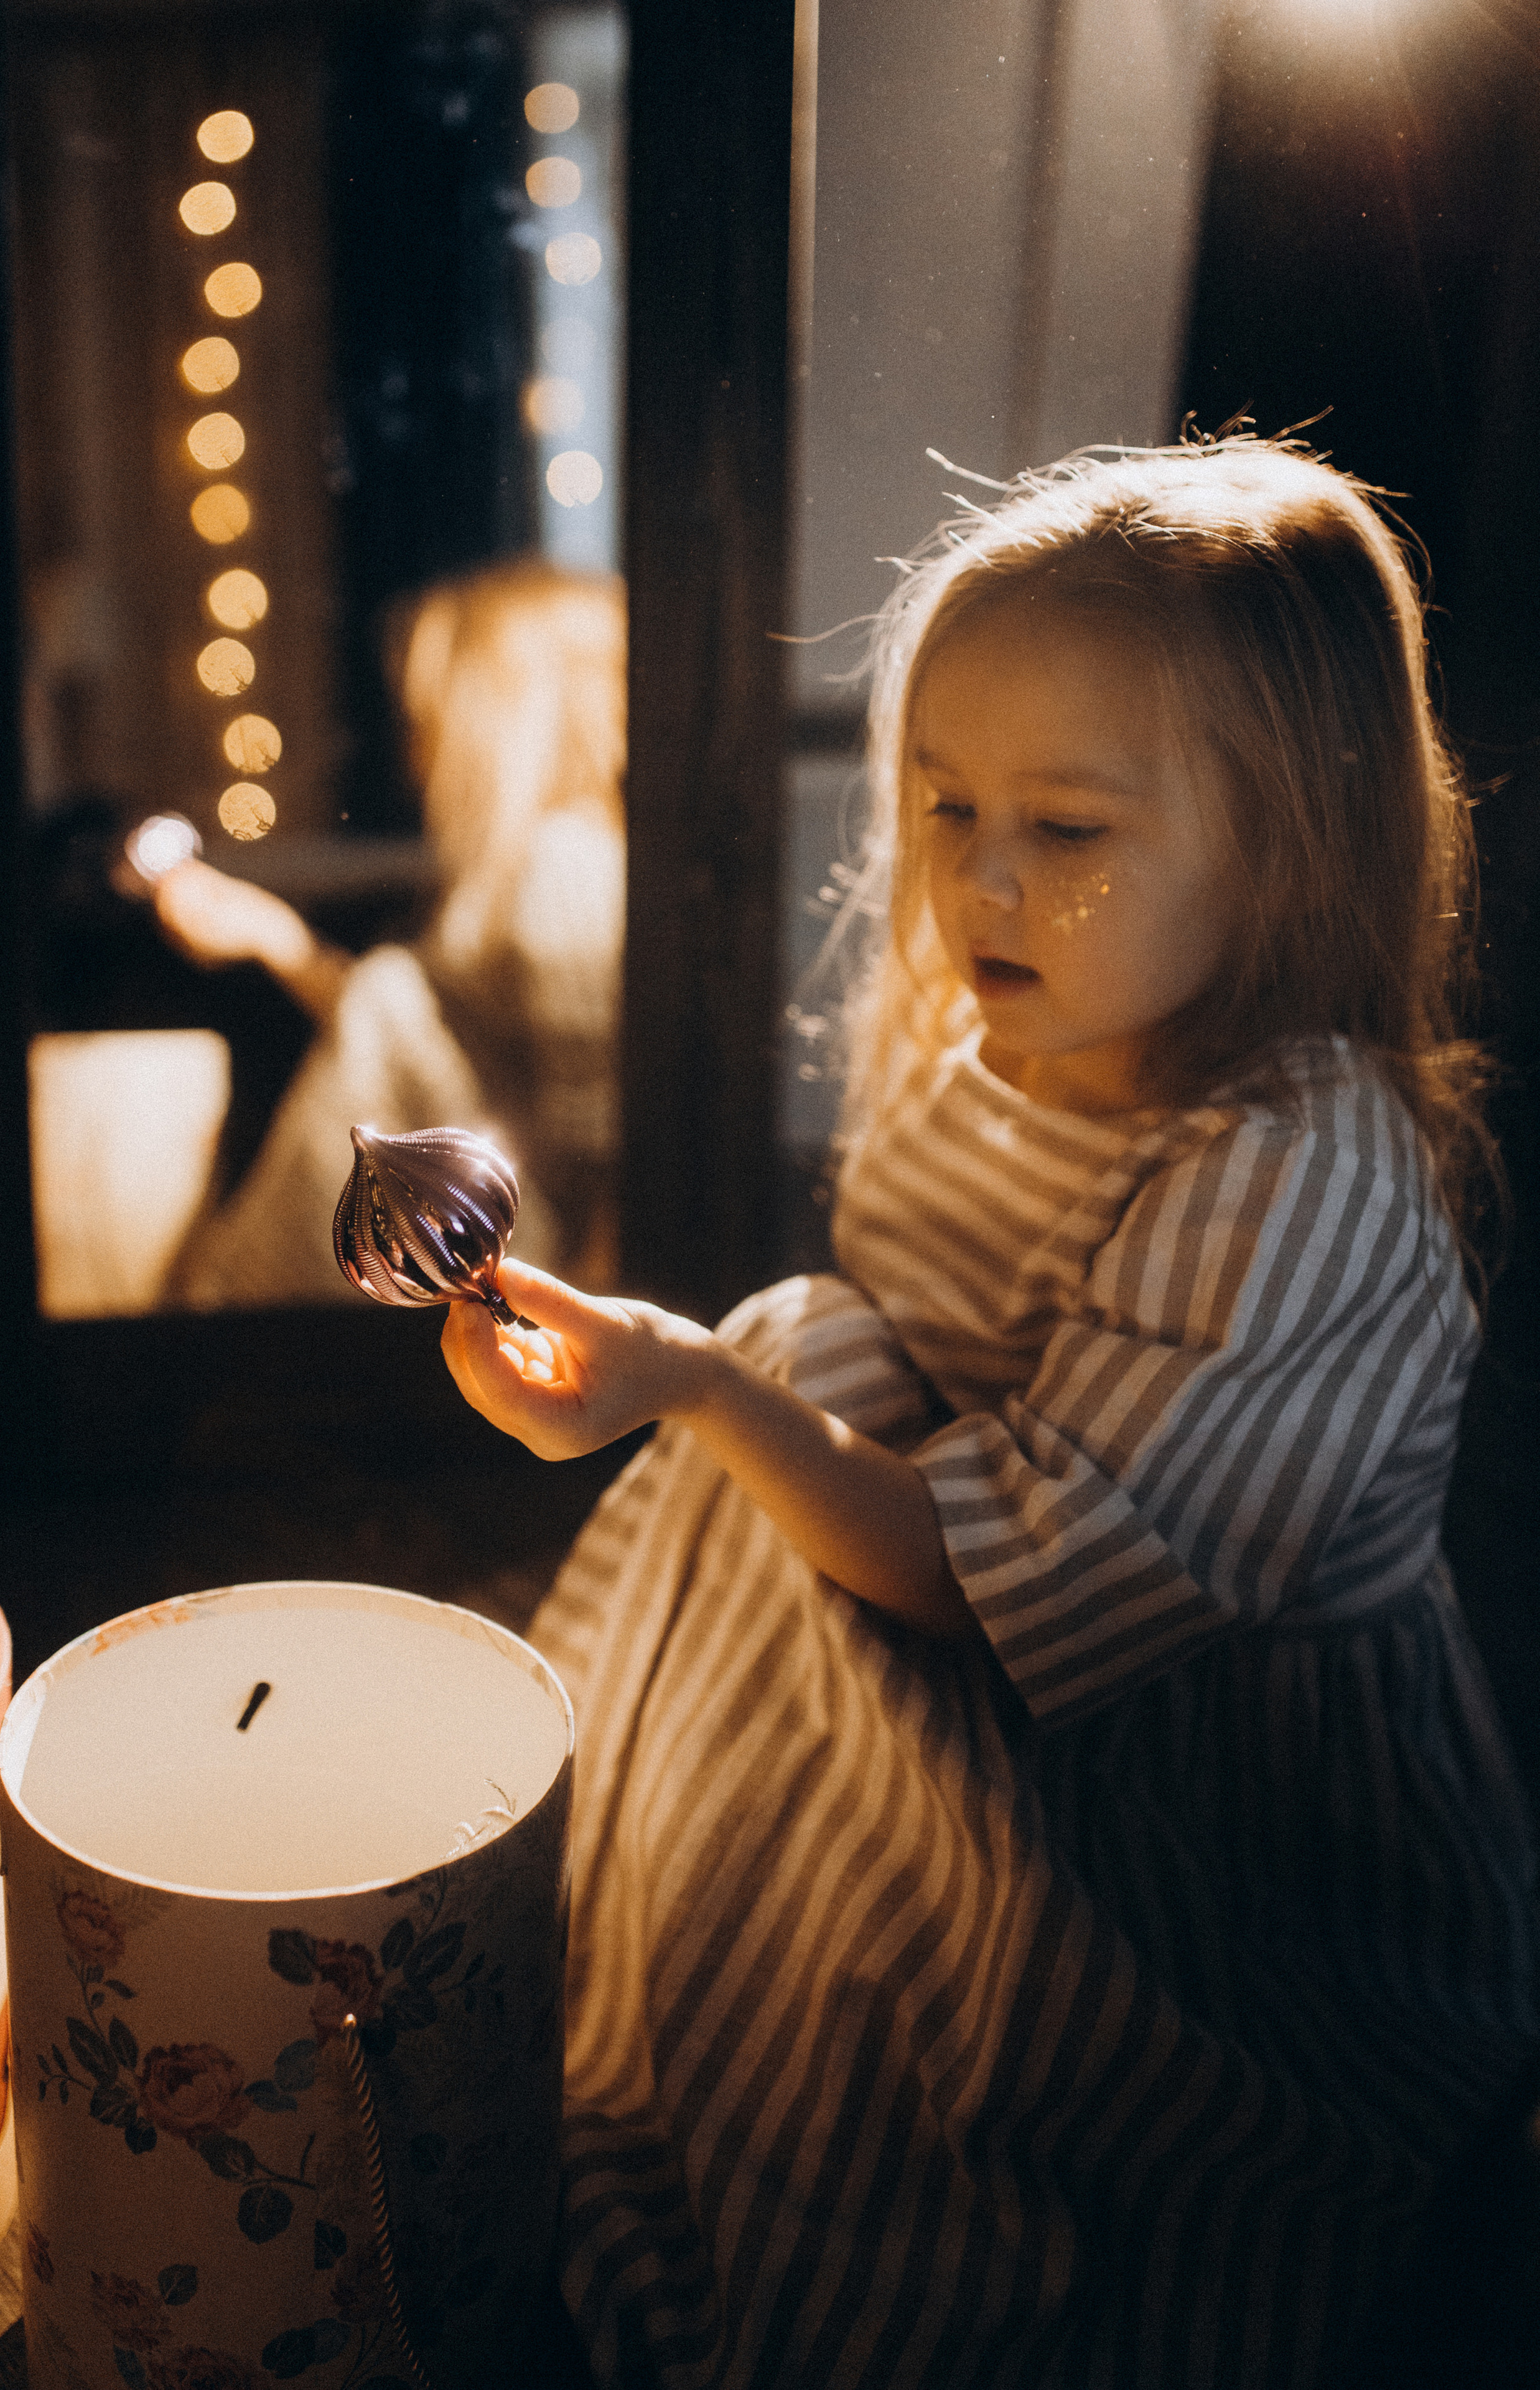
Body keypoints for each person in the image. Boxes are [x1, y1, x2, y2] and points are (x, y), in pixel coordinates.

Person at [440, 441, 1539, 2388]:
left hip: (1199, 1824)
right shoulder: (1011, 1036)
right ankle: (696, 1951)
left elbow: (996, 1576)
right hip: (943, 1617)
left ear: (1285, 841)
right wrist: (689, 1388)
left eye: (1067, 825)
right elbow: (894, 1392)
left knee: (774, 1363)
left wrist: (692, 1380)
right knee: (801, 1351)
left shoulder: (1298, 1187)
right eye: (947, 806)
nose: (980, 876)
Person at [152, 558, 625, 1306]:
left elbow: (607, 1165)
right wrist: (282, 944)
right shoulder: (553, 865)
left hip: (457, 1282)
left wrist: (584, 1348)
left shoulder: (565, 869)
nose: (416, 748)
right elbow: (447, 1059)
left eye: (430, 716)